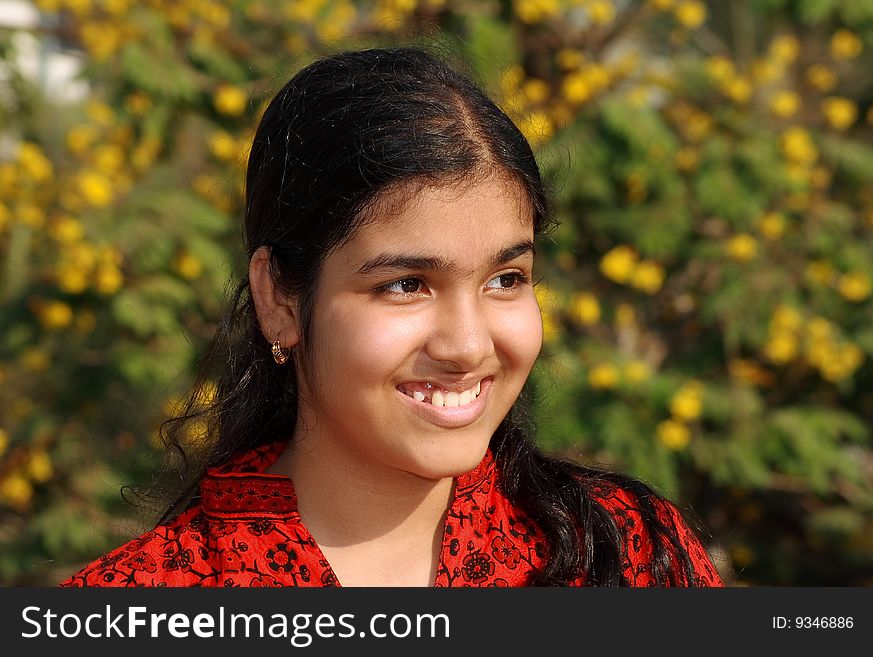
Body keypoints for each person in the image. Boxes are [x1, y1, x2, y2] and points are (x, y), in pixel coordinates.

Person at [61, 46, 724, 588]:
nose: (467, 345)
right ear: (279, 298)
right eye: (407, 284)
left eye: (506, 278)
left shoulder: (625, 555)